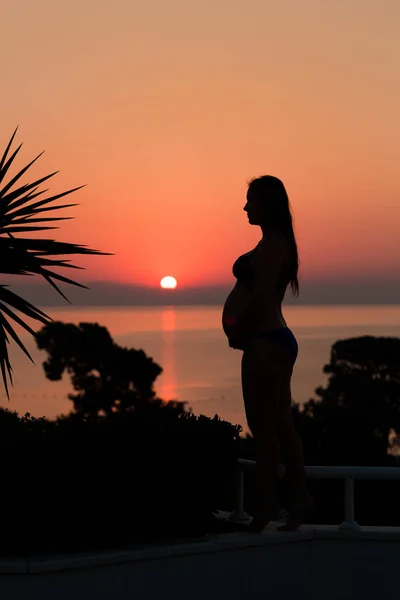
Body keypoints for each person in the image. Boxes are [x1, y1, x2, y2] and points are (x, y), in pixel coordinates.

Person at [222, 175, 312, 532]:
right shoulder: (271, 244)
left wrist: (241, 331)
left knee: (264, 430)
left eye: (251, 200)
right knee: (281, 425)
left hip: (265, 342)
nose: (245, 207)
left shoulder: (273, 247)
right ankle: (295, 503)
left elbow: (260, 298)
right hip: (270, 340)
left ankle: (265, 510)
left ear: (267, 203)